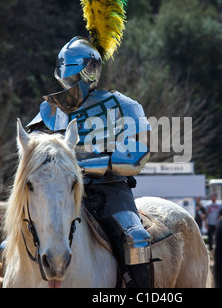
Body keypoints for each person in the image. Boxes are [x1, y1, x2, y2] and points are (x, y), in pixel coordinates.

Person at [26, 36, 152, 288]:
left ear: (90, 71)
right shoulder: (49, 111)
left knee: (136, 238)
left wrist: (83, 166)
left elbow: (136, 156)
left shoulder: (123, 106)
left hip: (110, 186)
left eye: (73, 79)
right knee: (9, 245)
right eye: (65, 78)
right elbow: (31, 154)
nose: (67, 85)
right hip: (60, 190)